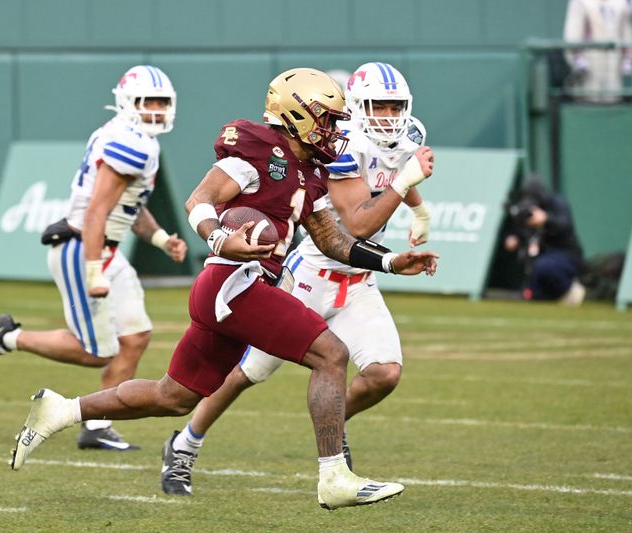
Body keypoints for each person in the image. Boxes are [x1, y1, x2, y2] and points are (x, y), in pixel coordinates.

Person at [8, 67, 438, 511]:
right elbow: (200, 199)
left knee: (172, 397)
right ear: (298, 116)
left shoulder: (310, 170)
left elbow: (333, 240)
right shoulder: (257, 148)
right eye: (326, 119)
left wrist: (388, 261)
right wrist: (220, 237)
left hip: (235, 291)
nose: (334, 129)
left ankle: (63, 410)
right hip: (234, 283)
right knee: (331, 355)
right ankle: (333, 476)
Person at [160, 62, 434, 498]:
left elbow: (396, 170)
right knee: (248, 370)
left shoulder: (398, 141)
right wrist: (405, 184)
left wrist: (419, 212)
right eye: (378, 106)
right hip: (311, 276)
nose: (388, 115)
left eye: (395, 106)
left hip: (358, 279)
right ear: (357, 108)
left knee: (384, 374)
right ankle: (185, 442)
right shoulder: (337, 149)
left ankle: (332, 440)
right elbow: (357, 227)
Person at [0, 65, 188, 451]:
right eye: (147, 102)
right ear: (127, 103)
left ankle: (99, 425)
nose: (156, 109)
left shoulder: (136, 139)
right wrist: (94, 271)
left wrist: (159, 238)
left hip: (105, 249)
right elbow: (96, 212)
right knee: (97, 351)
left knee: (136, 336)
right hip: (84, 248)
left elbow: (129, 205)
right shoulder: (131, 142)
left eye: (161, 102)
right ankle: (8, 338)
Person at [504, 179, 586, 305]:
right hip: (540, 255)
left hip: (565, 255)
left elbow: (565, 225)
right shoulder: (525, 209)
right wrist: (513, 238)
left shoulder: (558, 203)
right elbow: (518, 230)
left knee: (544, 267)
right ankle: (544, 296)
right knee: (532, 286)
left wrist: (546, 219)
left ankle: (571, 290)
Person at [563, 0, 632, 102]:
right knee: (590, 99)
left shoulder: (621, 3)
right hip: (590, 65)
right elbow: (572, 35)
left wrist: (627, 59)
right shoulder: (580, 2)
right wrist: (578, 60)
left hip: (613, 64)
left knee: (612, 100)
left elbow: (626, 33)